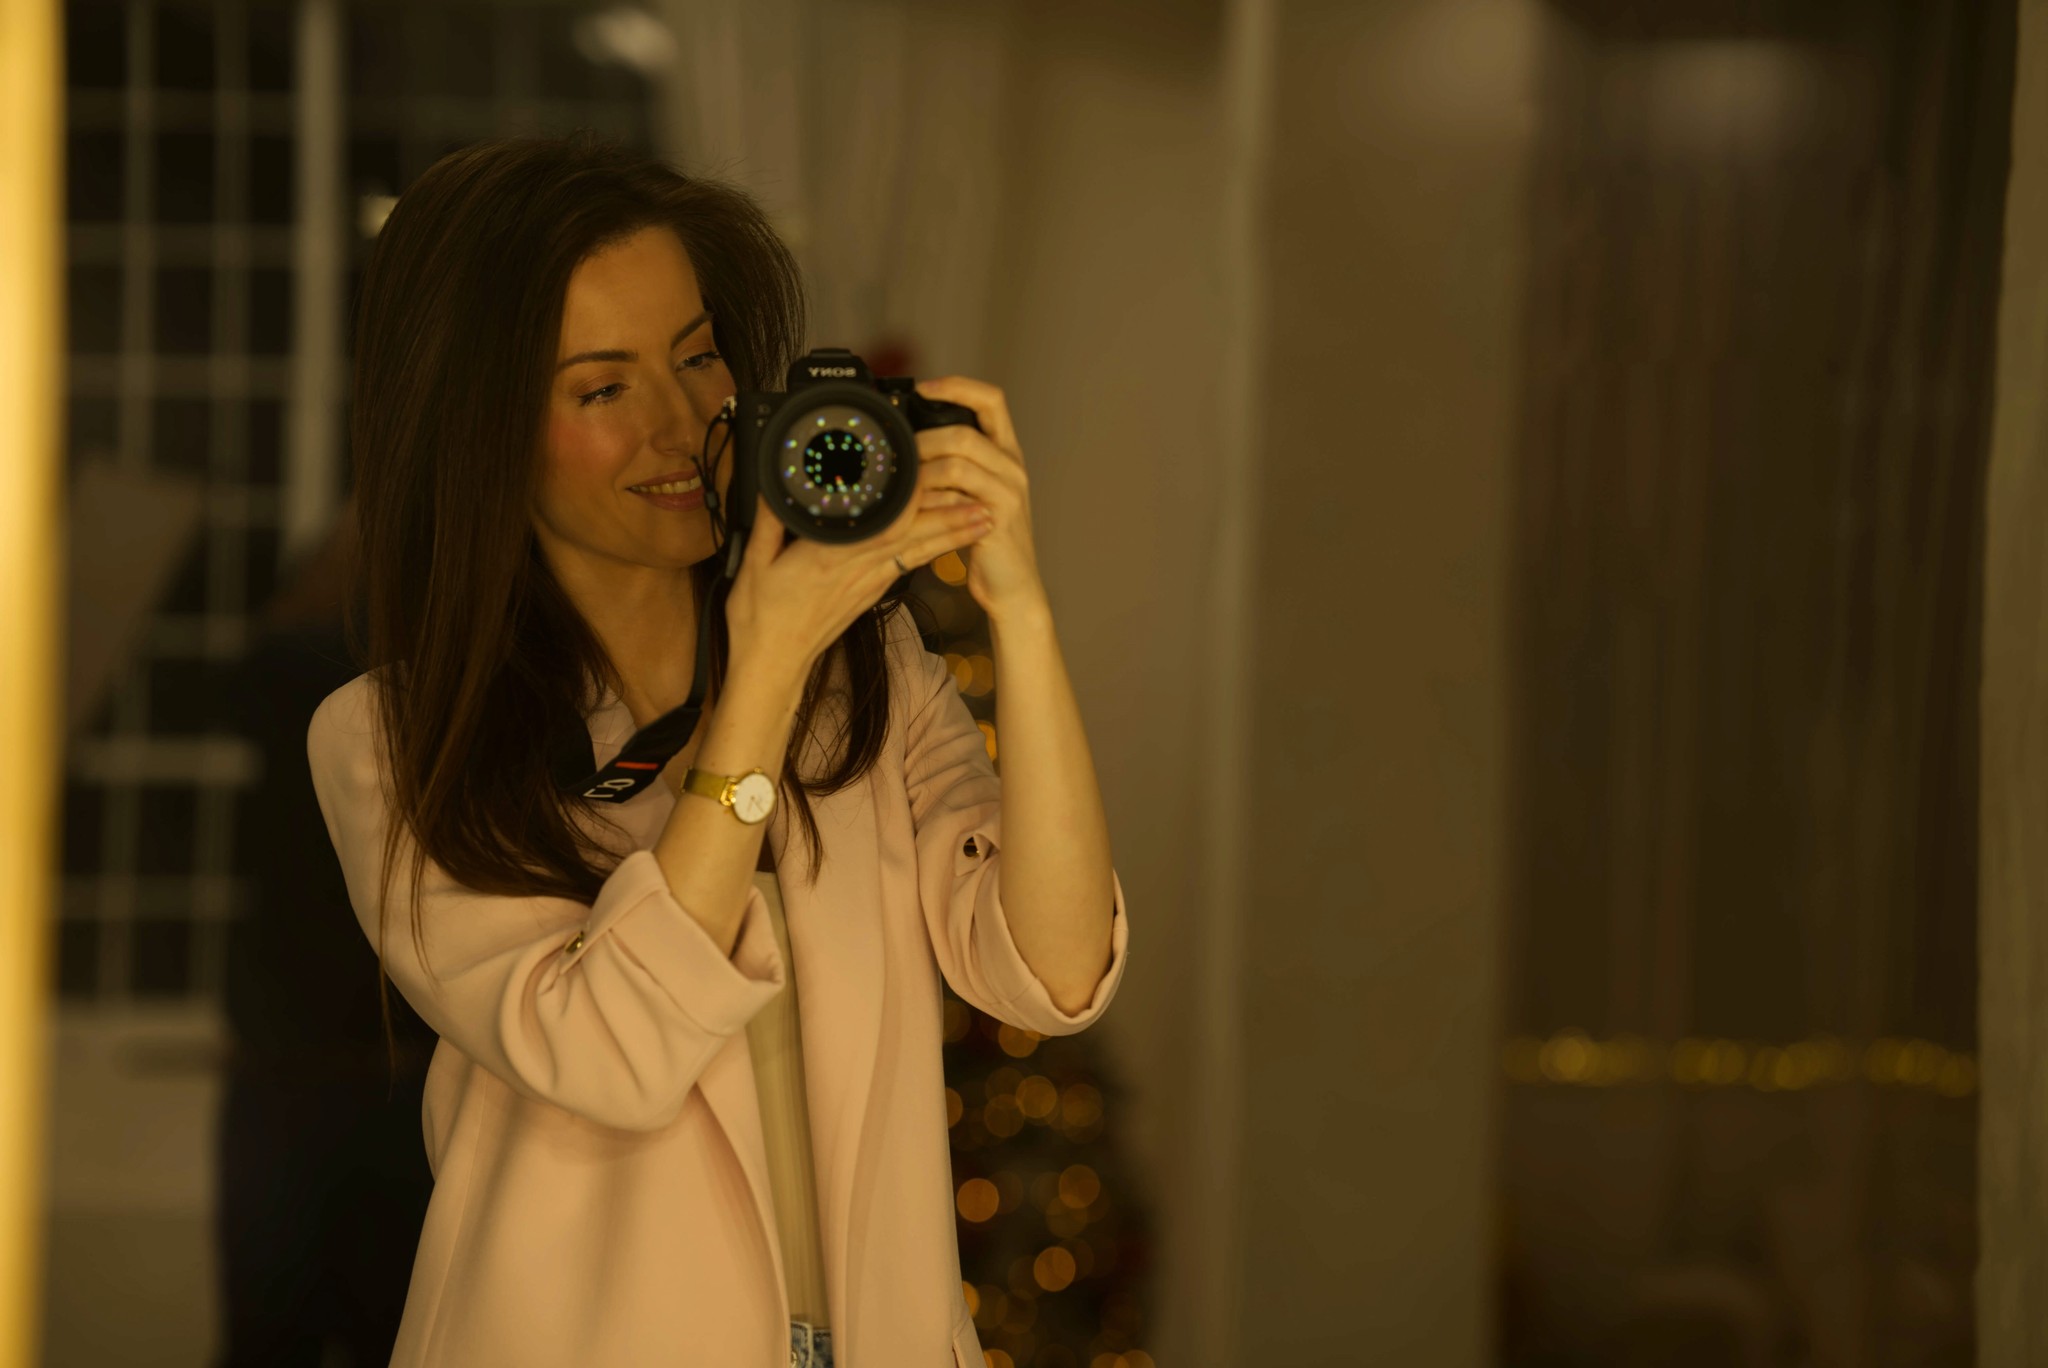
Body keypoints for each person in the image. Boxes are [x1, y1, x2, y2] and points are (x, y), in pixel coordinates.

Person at [305, 135, 1129, 1368]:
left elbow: (1050, 972)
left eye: (697, 356)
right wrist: (762, 675)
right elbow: (606, 1053)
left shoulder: (866, 671)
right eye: (602, 389)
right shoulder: (393, 735)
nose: (684, 422)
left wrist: (1021, 608)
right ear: (486, 433)